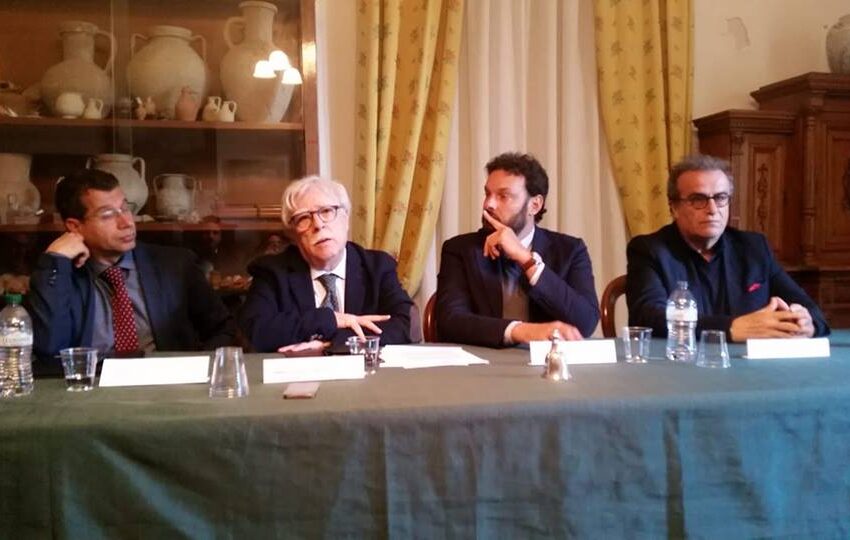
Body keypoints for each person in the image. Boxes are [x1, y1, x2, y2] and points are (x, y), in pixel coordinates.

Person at [27, 169, 237, 364]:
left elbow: (224, 329)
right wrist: (55, 260)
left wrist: (197, 367)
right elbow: (49, 348)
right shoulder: (60, 275)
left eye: (125, 208)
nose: (126, 222)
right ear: (75, 226)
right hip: (94, 386)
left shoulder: (175, 265)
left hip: (166, 382)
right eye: (108, 215)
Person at [626, 154, 829, 341]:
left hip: (749, 364)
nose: (712, 209)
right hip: (682, 364)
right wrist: (731, 328)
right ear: (674, 208)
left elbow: (812, 311)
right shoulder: (649, 250)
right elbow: (648, 318)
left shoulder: (754, 248)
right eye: (698, 200)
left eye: (721, 198)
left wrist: (807, 323)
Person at [435, 152, 600, 347]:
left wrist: (525, 259)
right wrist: (521, 331)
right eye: (487, 194)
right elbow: (450, 321)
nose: (488, 204)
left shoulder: (570, 250)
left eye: (503, 196)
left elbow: (585, 322)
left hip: (548, 361)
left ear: (534, 205)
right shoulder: (460, 250)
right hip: (484, 360)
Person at [239, 175, 414, 352]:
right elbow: (255, 331)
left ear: (346, 219)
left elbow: (402, 326)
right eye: (303, 218)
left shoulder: (378, 267)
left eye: (327, 211)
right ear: (293, 234)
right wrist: (330, 320)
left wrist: (330, 346)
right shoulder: (272, 272)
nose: (318, 224)